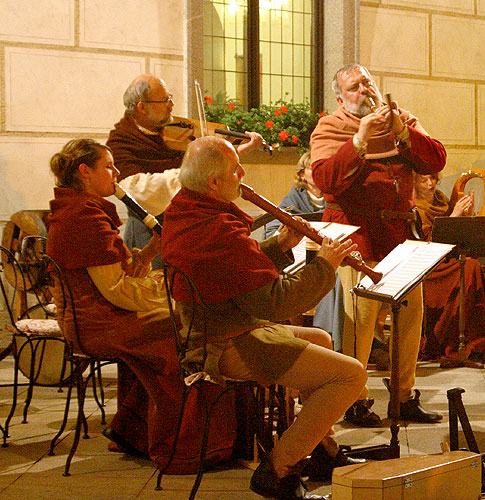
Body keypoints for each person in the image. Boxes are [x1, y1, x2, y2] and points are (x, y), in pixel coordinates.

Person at [160, 136, 367, 500]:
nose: (242, 174)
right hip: (224, 343)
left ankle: (320, 449)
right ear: (213, 184)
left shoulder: (186, 211)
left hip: (216, 326)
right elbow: (276, 303)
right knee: (351, 374)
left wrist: (278, 246)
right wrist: (326, 264)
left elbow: (232, 273)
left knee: (322, 339)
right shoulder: (219, 230)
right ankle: (278, 467)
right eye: (235, 169)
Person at [45, 139, 236, 472]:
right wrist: (171, 295)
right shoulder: (83, 217)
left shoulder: (80, 208)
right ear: (85, 172)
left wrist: (148, 256)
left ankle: (133, 432)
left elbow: (117, 274)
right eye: (108, 166)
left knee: (178, 320)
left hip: (96, 314)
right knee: (186, 331)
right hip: (96, 323)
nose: (117, 173)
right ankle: (182, 446)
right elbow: (117, 292)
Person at [310, 63, 447, 427]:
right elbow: (325, 180)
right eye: (355, 87)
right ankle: (355, 399)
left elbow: (435, 160)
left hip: (401, 237)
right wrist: (359, 140)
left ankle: (403, 397)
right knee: (361, 323)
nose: (364, 91)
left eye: (368, 83)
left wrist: (403, 131)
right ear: (340, 98)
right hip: (357, 236)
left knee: (409, 316)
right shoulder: (331, 127)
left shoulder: (401, 120)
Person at [107, 74, 263, 268]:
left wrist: (238, 150)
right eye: (164, 100)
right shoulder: (121, 142)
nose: (171, 104)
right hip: (148, 232)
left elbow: (207, 167)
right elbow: (135, 189)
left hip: (184, 229)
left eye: (170, 97)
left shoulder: (169, 133)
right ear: (142, 107)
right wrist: (192, 173)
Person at [264, 153, 345, 350]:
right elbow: (272, 230)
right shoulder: (293, 198)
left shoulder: (334, 199)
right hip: (299, 258)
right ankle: (326, 335)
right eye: (312, 168)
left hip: (324, 254)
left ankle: (337, 336)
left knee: (339, 277)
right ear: (302, 175)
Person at [413, 172, 485, 361]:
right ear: (415, 182)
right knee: (469, 267)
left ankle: (472, 342)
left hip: (447, 259)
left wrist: (467, 215)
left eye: (433, 178)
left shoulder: (441, 200)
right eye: (424, 180)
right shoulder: (414, 206)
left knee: (471, 266)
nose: (431, 184)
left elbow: (457, 237)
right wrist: (455, 215)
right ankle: (446, 341)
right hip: (427, 265)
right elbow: (429, 243)